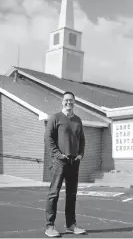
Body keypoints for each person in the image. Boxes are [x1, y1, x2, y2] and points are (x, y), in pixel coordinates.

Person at [44, 91, 86, 237]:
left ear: (74, 103)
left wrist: (81, 154)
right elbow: (48, 138)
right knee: (53, 194)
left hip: (74, 162)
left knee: (71, 195)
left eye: (71, 100)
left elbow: (82, 139)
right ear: (62, 102)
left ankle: (71, 225)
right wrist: (57, 154)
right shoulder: (55, 118)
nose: (69, 102)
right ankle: (49, 226)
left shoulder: (78, 120)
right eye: (66, 100)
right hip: (60, 162)